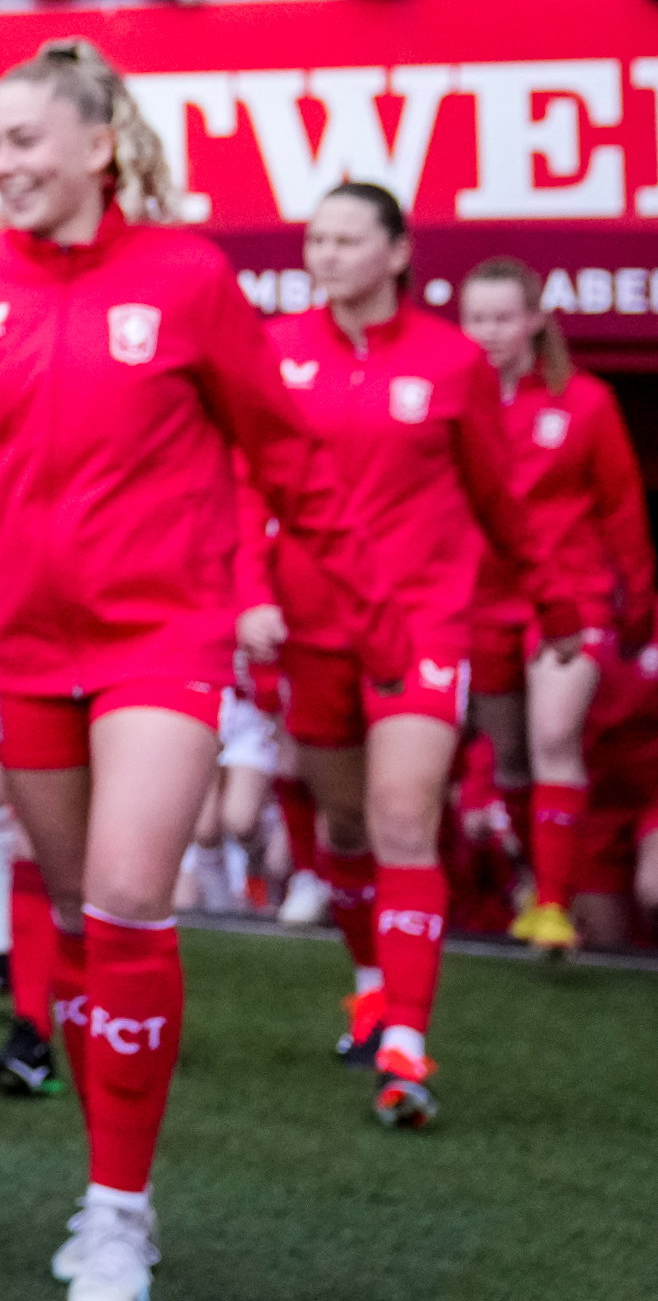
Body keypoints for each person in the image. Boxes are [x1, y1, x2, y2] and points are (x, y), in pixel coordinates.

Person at [0, 40, 347, 1301]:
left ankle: (115, 1213)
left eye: (21, 140)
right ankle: (113, 1173)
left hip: (161, 641)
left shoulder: (185, 277)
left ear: (96, 144)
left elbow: (284, 452)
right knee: (71, 922)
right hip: (19, 644)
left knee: (125, 896)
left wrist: (336, 597)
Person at [241, 183, 541, 1127]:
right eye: (313, 238)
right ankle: (371, 981)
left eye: (343, 238)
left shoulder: (454, 363)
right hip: (310, 625)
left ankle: (406, 1041)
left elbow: (499, 498)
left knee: (403, 816)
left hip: (422, 628)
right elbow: (245, 481)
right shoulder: (276, 349)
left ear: (397, 251)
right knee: (342, 828)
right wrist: (249, 595)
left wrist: (559, 604)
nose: (322, 254)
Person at [455, 258, 649, 957]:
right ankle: (537, 878)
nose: (490, 332)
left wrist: (639, 605)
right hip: (482, 600)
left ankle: (554, 909)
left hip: (571, 594)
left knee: (553, 737)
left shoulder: (585, 401)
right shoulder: (453, 399)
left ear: (536, 319)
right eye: (477, 318)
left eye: (504, 317)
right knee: (507, 758)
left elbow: (623, 506)